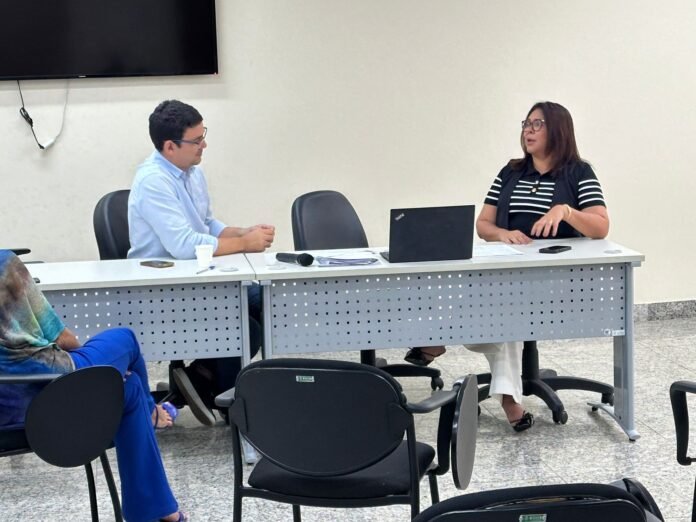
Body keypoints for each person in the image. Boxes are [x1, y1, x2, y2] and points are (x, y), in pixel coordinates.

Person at [0, 250, 187, 522]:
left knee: (129, 389)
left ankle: (158, 510)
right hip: (50, 394)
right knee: (126, 339)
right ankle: (152, 414)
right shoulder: (5, 263)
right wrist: (89, 365)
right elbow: (64, 339)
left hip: (8, 420)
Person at [127, 100, 274, 422]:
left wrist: (243, 232)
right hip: (164, 285)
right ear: (170, 146)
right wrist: (243, 244)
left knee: (265, 298)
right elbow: (183, 245)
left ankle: (200, 379)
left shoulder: (193, 173)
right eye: (196, 140)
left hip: (199, 276)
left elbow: (206, 225)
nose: (204, 145)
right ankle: (222, 398)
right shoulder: (153, 181)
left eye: (203, 135)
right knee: (243, 323)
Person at [470, 101, 610, 432]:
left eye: (537, 124)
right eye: (526, 124)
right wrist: (503, 234)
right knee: (498, 309)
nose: (528, 131)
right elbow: (483, 225)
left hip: (556, 279)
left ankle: (506, 396)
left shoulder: (578, 172)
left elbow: (601, 227)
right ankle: (507, 394)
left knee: (502, 313)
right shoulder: (511, 171)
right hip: (508, 273)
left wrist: (566, 211)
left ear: (558, 130)